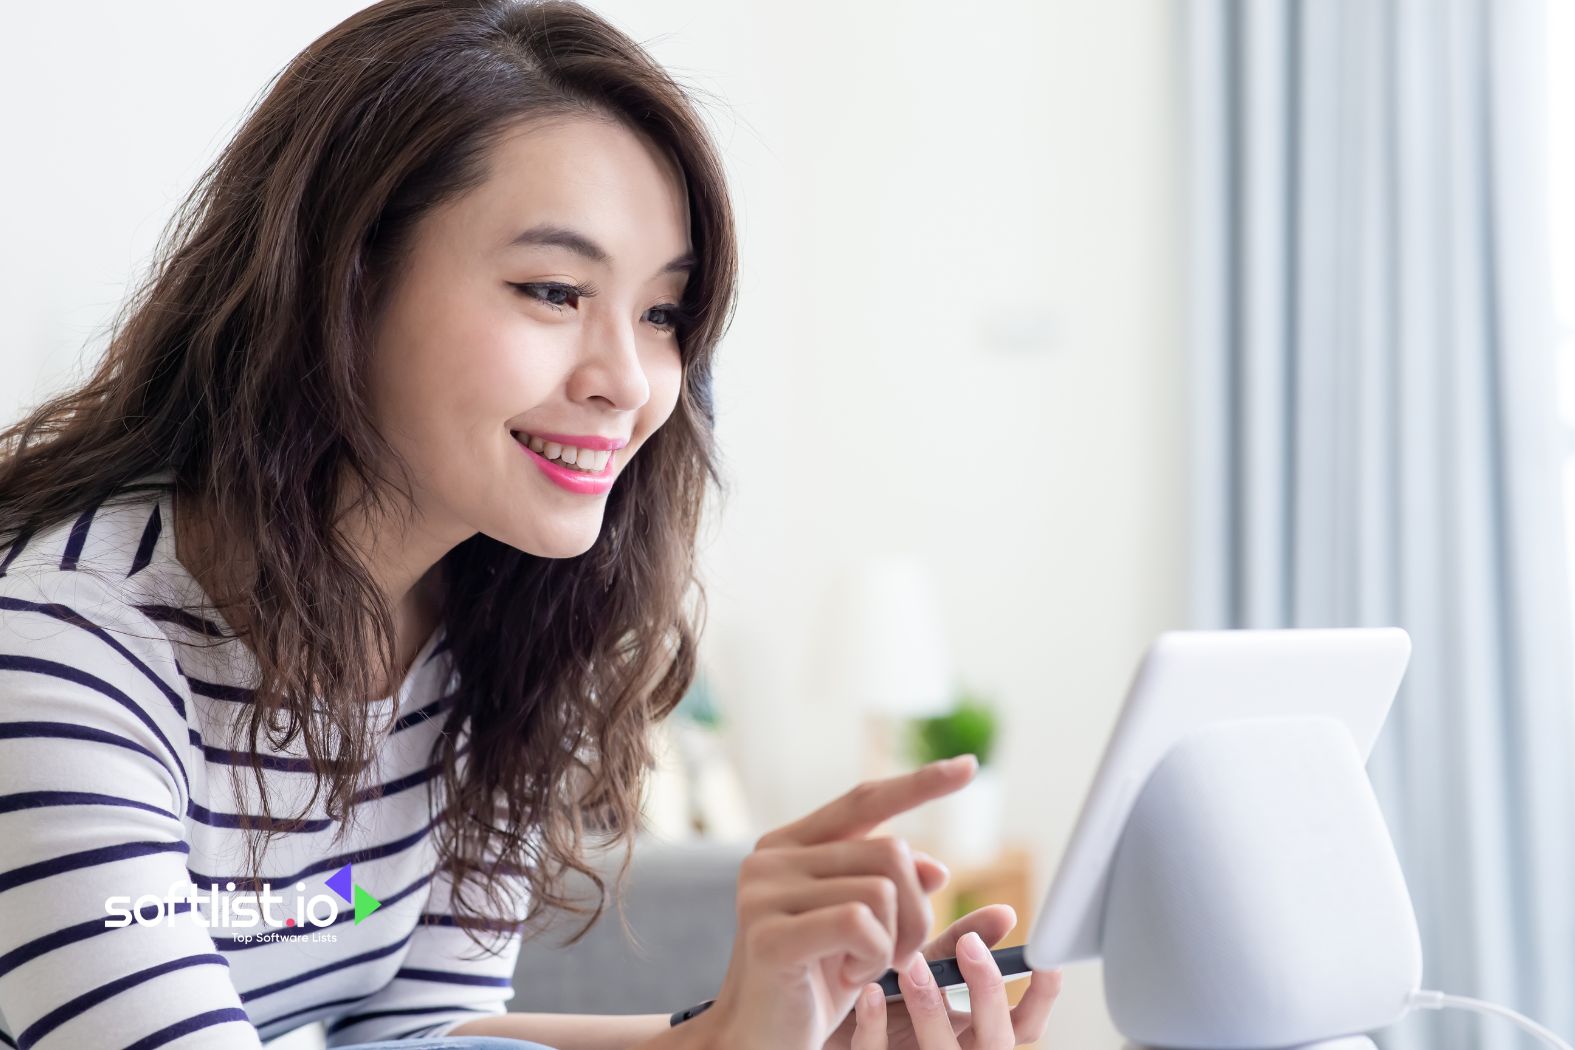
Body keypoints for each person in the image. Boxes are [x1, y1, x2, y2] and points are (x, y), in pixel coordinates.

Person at [0, 2, 1063, 1048]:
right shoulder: (65, 647)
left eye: (660, 315)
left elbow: (415, 1037)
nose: (628, 382)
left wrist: (733, 1039)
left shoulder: (488, 631)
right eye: (553, 291)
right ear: (341, 282)